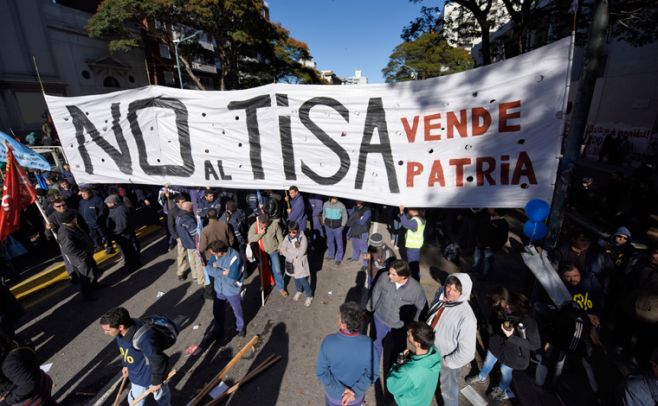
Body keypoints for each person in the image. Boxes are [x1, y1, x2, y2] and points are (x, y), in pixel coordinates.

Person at [467, 287, 541, 401]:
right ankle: (482, 376)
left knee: (504, 371)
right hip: (497, 344)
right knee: (487, 362)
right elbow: (493, 320)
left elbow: (535, 345)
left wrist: (511, 336)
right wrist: (491, 332)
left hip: (514, 353)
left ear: (505, 299)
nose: (498, 310)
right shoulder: (500, 306)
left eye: (499, 307)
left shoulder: (527, 320)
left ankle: (501, 389)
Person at [367, 259, 427, 387]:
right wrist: (369, 310)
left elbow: (421, 306)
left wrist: (413, 325)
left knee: (397, 352)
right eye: (389, 272)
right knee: (375, 346)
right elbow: (375, 293)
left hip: (399, 326)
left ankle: (393, 379)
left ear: (403, 276)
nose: (389, 276)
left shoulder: (415, 289)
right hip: (380, 319)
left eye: (393, 274)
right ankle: (373, 374)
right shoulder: (384, 277)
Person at [100, 308, 171, 406]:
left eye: (107, 330)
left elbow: (157, 359)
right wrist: (125, 364)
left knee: (161, 398)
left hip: (149, 376)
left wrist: (157, 381)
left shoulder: (144, 337)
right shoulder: (121, 332)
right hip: (136, 375)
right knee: (134, 402)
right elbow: (126, 350)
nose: (105, 332)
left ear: (121, 327)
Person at [426, 273, 477, 406]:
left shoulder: (467, 317)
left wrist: (446, 362)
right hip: (430, 350)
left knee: (448, 394)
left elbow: (467, 352)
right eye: (448, 286)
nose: (450, 292)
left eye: (455, 290)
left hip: (447, 360)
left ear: (463, 292)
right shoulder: (441, 296)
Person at [187, 240, 245, 356]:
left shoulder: (235, 258)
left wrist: (217, 269)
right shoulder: (216, 255)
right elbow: (208, 269)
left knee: (237, 310)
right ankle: (219, 330)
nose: (211, 256)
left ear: (219, 252)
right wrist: (223, 272)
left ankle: (240, 328)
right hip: (219, 288)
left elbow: (231, 279)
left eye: (213, 253)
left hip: (231, 290)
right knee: (217, 311)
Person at [316, 302, 378, 406]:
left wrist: (342, 391)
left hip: (334, 397)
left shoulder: (329, 342)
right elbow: (372, 374)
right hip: (355, 398)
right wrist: (354, 391)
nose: (337, 318)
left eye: (339, 317)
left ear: (343, 325)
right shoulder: (368, 344)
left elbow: (322, 373)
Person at [386, 322, 442, 406]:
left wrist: (399, 363)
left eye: (409, 334)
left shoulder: (409, 372)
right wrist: (412, 357)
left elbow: (392, 386)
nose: (407, 334)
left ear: (417, 343)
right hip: (422, 400)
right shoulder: (435, 354)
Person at [0, 334, 57, 405]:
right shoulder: (12, 347)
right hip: (40, 384)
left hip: (32, 396)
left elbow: (29, 384)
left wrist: (8, 401)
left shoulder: (9, 365)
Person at [57, 210, 100, 300]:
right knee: (85, 278)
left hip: (86, 255)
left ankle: (95, 286)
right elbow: (69, 249)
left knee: (92, 271)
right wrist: (83, 254)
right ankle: (87, 296)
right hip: (81, 259)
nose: (76, 219)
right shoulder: (65, 233)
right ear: (71, 219)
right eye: (74, 217)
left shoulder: (72, 226)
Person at [247, 214, 286, 296]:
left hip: (273, 250)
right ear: (259, 222)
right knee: (264, 270)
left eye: (266, 224)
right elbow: (250, 239)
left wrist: (280, 247)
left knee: (277, 270)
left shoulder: (274, 224)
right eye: (262, 224)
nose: (265, 226)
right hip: (261, 253)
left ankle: (281, 288)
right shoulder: (255, 226)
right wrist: (260, 234)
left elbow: (280, 236)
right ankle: (266, 285)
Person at [279, 221, 313, 307]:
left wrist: (288, 251)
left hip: (300, 263)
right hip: (291, 262)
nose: (291, 234)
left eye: (293, 232)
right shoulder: (287, 237)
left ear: (297, 230)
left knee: (303, 280)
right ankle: (299, 290)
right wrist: (287, 251)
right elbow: (282, 248)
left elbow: (301, 252)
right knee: (295, 278)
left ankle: (309, 295)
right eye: (289, 231)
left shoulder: (303, 238)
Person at [105, 194, 141, 272]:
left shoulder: (120, 210)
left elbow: (123, 225)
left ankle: (134, 264)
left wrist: (115, 233)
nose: (107, 204)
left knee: (129, 251)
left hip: (124, 235)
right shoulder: (114, 209)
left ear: (114, 202)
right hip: (120, 235)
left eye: (108, 203)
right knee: (126, 251)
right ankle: (129, 263)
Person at [472, 209, 509, 279]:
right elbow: (480, 228)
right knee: (477, 257)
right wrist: (478, 239)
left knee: (488, 262)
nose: (489, 209)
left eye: (491, 209)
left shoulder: (503, 224)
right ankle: (476, 268)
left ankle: (485, 275)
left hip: (490, 248)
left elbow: (502, 239)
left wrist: (493, 247)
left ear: (496, 212)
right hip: (480, 243)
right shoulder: (486, 217)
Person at [175, 201, 205, 286]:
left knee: (191, 260)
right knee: (199, 262)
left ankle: (194, 275)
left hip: (186, 243)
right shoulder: (188, 218)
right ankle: (201, 280)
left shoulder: (178, 216)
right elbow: (194, 233)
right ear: (190, 209)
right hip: (194, 243)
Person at [78, 186, 112, 254]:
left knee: (104, 235)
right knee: (94, 236)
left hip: (98, 222)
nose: (83, 195)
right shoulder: (81, 202)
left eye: (85, 194)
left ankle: (109, 246)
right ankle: (99, 246)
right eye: (82, 194)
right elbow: (81, 211)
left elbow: (103, 211)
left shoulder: (97, 200)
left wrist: (99, 219)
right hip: (88, 223)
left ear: (90, 193)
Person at [398, 206, 426, 280]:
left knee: (413, 265)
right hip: (417, 245)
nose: (408, 211)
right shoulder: (421, 219)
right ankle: (416, 277)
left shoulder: (415, 221)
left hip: (413, 247)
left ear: (413, 211)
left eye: (408, 209)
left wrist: (401, 213)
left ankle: (415, 280)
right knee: (415, 264)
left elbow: (406, 224)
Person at [322, 196, 347, 266]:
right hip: (328, 227)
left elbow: (345, 216)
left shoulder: (341, 205)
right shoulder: (325, 204)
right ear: (330, 198)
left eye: (335, 198)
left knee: (339, 243)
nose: (334, 200)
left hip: (338, 228)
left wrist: (342, 225)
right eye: (333, 198)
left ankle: (338, 258)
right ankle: (331, 255)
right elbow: (324, 213)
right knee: (329, 241)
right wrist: (324, 222)